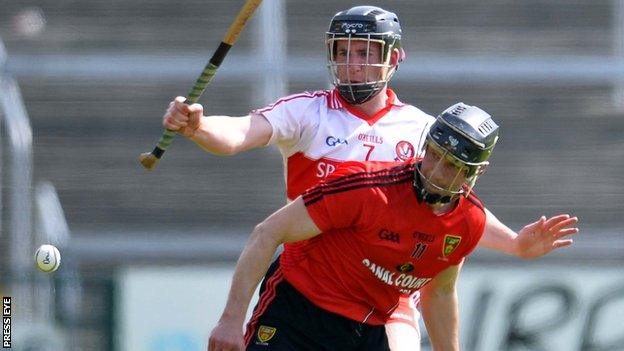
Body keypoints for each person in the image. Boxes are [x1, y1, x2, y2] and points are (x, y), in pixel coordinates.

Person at [163, 6, 578, 350]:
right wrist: (198, 127)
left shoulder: (425, 131)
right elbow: (238, 134)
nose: (352, 65)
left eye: (364, 53)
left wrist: (514, 244)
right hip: (312, 275)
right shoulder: (307, 111)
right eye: (343, 52)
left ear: (394, 58)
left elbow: (447, 208)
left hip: (389, 293)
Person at [207, 103, 579, 351]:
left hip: (368, 330)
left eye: (450, 164)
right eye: (433, 153)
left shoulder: (468, 221)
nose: (434, 169)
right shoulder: (364, 188)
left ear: (472, 174)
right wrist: (229, 321)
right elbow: (266, 233)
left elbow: (440, 293)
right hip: (299, 311)